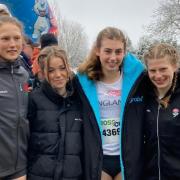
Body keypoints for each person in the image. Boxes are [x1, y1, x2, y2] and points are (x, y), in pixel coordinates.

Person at [77, 27, 145, 180]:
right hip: (99, 158)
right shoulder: (82, 82)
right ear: (97, 51)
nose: (113, 57)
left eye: (118, 51)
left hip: (127, 157)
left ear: (124, 52)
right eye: (107, 51)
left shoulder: (138, 79)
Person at [27, 46, 84, 180]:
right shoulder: (34, 99)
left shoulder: (78, 100)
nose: (58, 75)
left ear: (68, 69)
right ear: (45, 73)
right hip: (39, 175)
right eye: (51, 70)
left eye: (62, 68)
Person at [143, 43, 180, 179]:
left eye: (163, 69)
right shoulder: (142, 96)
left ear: (175, 66)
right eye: (152, 70)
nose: (158, 75)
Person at [0, 16, 29, 180]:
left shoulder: (23, 75)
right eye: (5, 38)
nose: (12, 44)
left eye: (17, 38)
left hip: (19, 166)